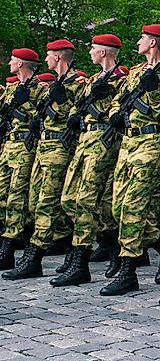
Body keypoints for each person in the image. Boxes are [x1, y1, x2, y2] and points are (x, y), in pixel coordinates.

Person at [99, 24, 160, 296]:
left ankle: (128, 272)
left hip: (150, 142)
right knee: (118, 207)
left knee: (133, 208)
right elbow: (119, 101)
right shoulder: (134, 73)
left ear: (154, 43)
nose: (137, 42)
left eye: (142, 38)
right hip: (128, 143)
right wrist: (115, 114)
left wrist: (155, 92)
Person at [4, 40, 85, 280]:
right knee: (33, 203)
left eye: (49, 55)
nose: (45, 60)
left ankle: (34, 257)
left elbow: (78, 114)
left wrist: (60, 102)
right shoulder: (52, 86)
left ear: (58, 57)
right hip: (41, 146)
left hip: (60, 147)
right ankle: (70, 248)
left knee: (46, 204)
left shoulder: (77, 84)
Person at [52, 35, 127, 287]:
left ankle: (80, 262)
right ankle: (110, 243)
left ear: (104, 52)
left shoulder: (121, 79)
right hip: (85, 140)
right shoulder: (94, 80)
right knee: (68, 199)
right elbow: (79, 106)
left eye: (94, 48)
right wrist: (73, 114)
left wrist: (104, 101)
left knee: (86, 201)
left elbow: (121, 110)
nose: (91, 52)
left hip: (104, 140)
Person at [0, 49, 41, 269]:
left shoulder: (40, 89)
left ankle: (8, 250)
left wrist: (24, 105)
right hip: (9, 145)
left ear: (21, 64)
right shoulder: (14, 88)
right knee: (2, 195)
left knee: (16, 198)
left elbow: (42, 118)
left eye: (13, 61)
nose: (9, 64)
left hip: (25, 146)